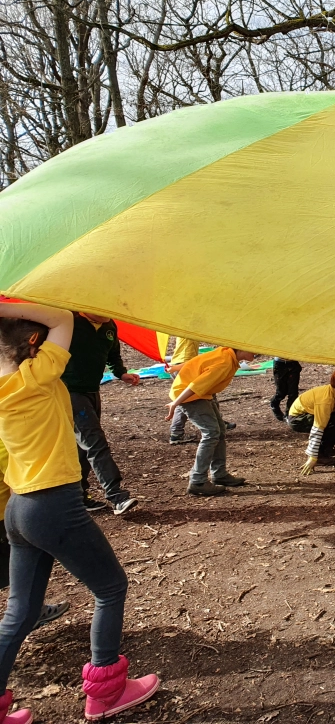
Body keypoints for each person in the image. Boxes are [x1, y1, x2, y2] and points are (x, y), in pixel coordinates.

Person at [0, 301, 159, 722]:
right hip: (53, 504)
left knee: (20, 611)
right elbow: (64, 318)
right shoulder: (36, 375)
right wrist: (7, 303)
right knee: (111, 588)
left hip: (18, 509)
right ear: (35, 342)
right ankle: (106, 691)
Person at [61, 312, 140, 514]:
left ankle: (78, 497)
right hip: (69, 391)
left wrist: (121, 373)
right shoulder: (68, 321)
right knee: (95, 442)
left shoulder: (109, 326)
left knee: (82, 446)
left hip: (92, 391)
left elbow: (113, 354)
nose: (107, 311)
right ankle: (116, 496)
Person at [165, 346, 255, 496]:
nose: (256, 351)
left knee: (219, 429)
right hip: (189, 396)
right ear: (239, 348)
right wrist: (175, 403)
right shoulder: (224, 362)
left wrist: (177, 367)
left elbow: (197, 361)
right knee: (211, 432)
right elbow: (196, 386)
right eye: (252, 348)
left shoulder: (225, 352)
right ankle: (198, 481)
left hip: (202, 394)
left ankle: (219, 474)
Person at [0, 440, 69, 633]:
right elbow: (19, 478)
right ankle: (31, 613)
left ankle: (32, 611)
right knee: (25, 571)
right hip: (7, 517)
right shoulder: (4, 440)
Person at [288, 368, 335, 474]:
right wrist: (312, 457)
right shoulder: (325, 401)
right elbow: (317, 428)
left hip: (311, 414)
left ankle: (327, 449)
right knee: (333, 422)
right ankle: (320, 455)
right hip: (298, 418)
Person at [167, 337, 199, 445]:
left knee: (206, 392)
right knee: (184, 399)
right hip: (183, 365)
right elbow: (187, 360)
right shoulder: (188, 329)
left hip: (180, 364)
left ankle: (218, 422)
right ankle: (176, 433)